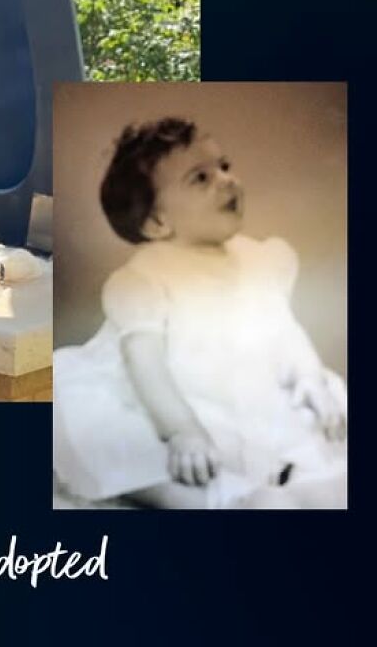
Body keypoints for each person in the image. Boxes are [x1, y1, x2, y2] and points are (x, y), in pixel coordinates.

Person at [53, 117, 347, 509]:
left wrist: (308, 375)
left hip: (243, 393)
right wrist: (181, 432)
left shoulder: (259, 259)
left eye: (223, 166)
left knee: (323, 410)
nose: (226, 180)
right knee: (92, 421)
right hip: (165, 401)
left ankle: (303, 484)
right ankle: (206, 499)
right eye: (200, 178)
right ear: (158, 222)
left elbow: (283, 329)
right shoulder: (145, 276)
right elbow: (146, 365)